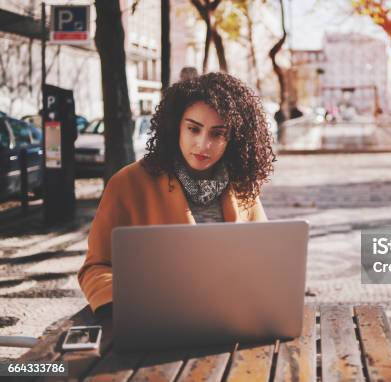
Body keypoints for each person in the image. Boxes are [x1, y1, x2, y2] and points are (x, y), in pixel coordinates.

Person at [78, 72, 276, 318]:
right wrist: (127, 306)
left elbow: (265, 263)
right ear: (176, 127)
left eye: (217, 134)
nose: (203, 144)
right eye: (194, 129)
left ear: (234, 138)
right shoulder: (128, 184)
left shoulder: (241, 186)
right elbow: (96, 267)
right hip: (155, 323)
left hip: (231, 321)